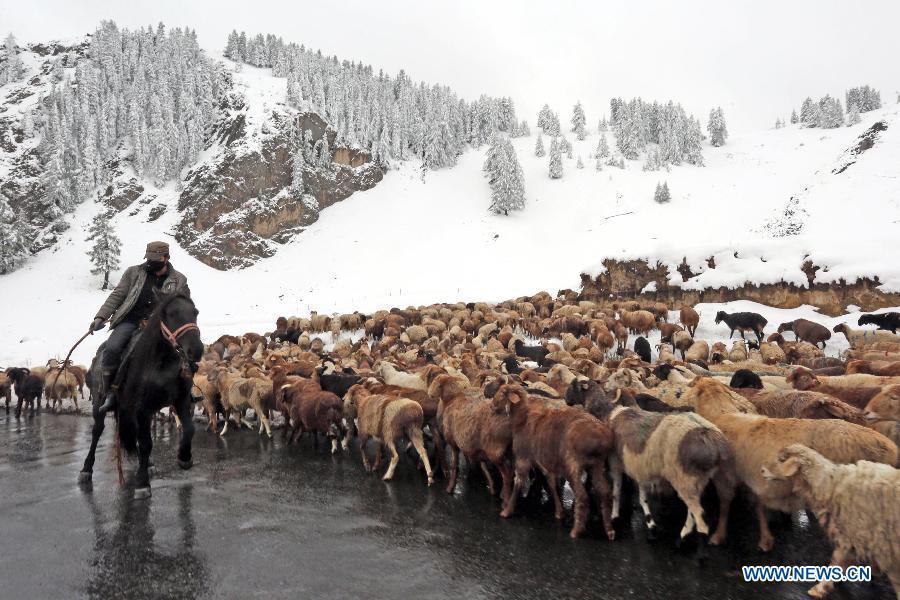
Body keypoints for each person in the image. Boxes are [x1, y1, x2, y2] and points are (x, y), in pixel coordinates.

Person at [88, 241, 191, 415]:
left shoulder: (179, 280)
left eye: (155, 259)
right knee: (113, 348)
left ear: (166, 258)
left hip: (160, 327)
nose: (151, 262)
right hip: (130, 321)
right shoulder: (133, 272)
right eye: (149, 258)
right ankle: (110, 393)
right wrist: (101, 316)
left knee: (184, 353)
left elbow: (183, 306)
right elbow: (117, 295)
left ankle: (184, 393)